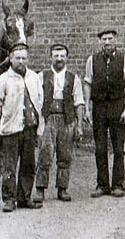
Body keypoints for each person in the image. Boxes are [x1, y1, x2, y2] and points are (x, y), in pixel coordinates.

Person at [0, 42, 44, 212]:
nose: (21, 61)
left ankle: (24, 197)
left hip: (29, 128)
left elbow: (40, 100)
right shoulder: (3, 80)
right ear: (11, 59)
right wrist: (5, 118)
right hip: (11, 130)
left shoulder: (34, 77)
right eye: (17, 58)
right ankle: (9, 199)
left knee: (28, 165)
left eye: (24, 58)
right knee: (9, 166)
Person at [83, 29, 125, 198]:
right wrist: (87, 108)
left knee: (118, 147)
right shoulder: (92, 60)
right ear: (100, 41)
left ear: (116, 40)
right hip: (99, 107)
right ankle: (102, 184)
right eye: (104, 39)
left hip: (117, 106)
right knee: (100, 147)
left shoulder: (124, 59)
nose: (107, 41)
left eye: (110, 38)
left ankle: (118, 184)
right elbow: (88, 84)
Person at [34, 43, 84, 205]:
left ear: (67, 57)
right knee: (45, 154)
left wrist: (78, 125)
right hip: (48, 118)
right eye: (56, 55)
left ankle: (62, 188)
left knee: (65, 155)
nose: (59, 59)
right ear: (51, 57)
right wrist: (39, 122)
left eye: (62, 55)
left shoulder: (73, 78)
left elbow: (79, 102)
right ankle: (40, 188)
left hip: (66, 118)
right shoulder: (41, 76)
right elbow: (36, 100)